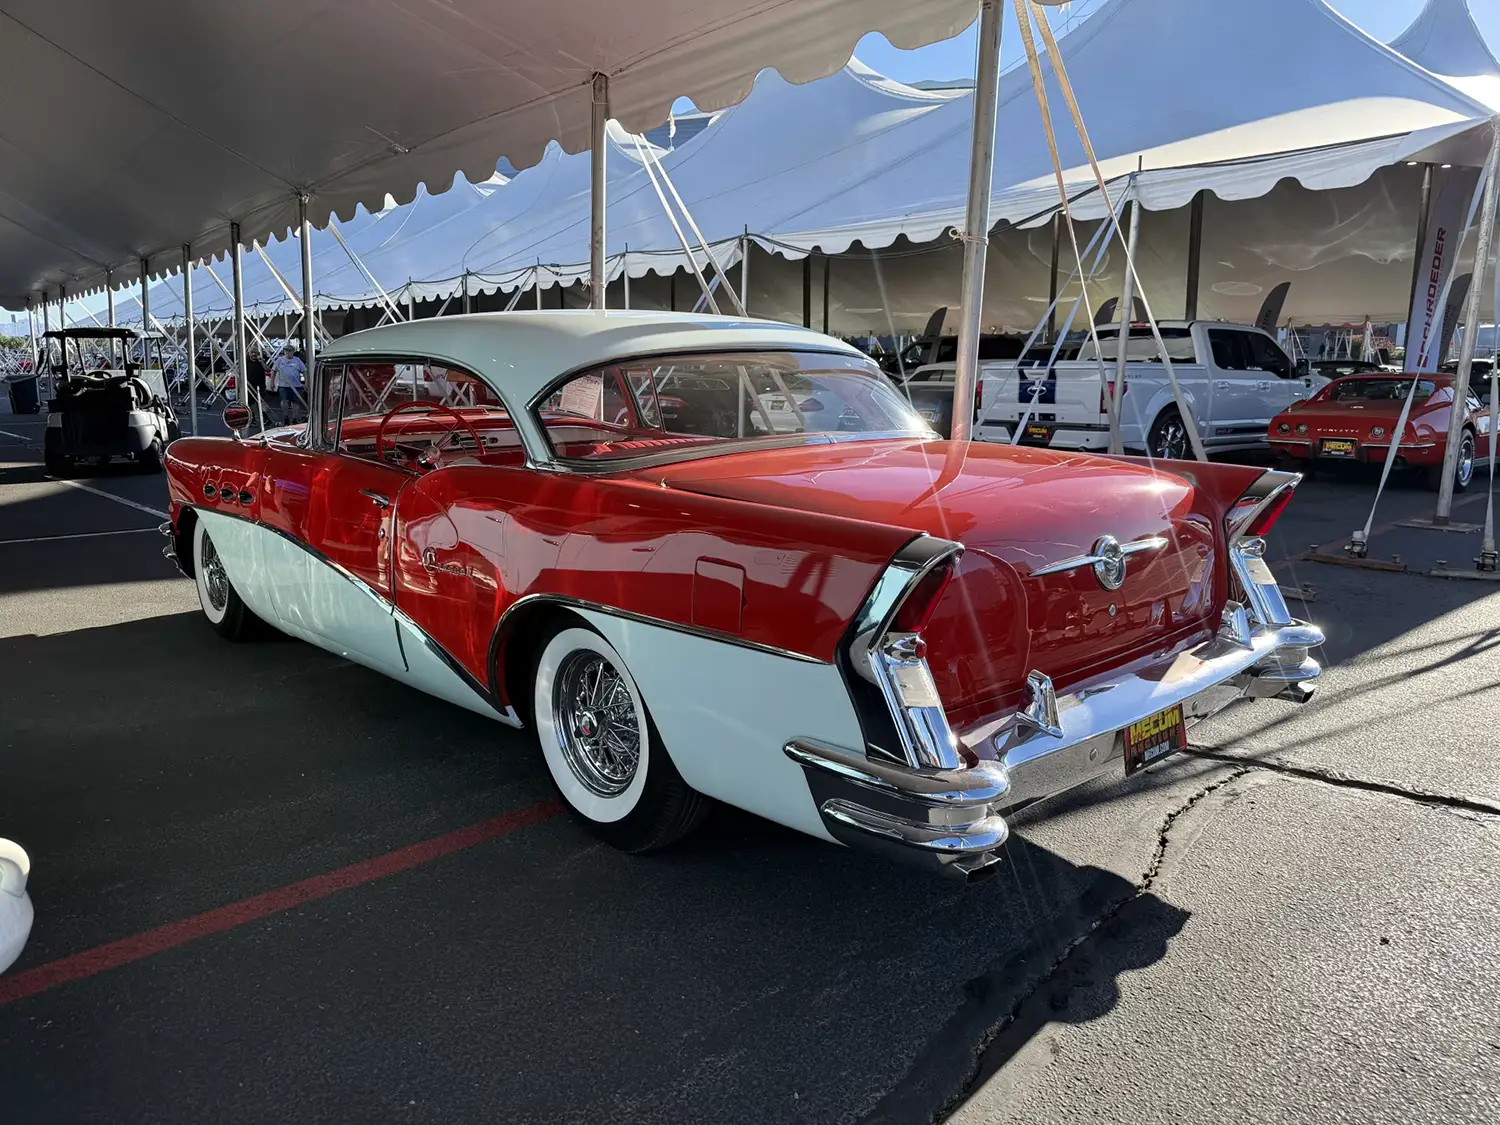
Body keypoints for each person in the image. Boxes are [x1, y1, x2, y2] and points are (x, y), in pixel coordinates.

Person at [272, 346, 306, 424]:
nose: (287, 352)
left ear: (293, 352)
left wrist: (306, 382)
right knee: (284, 402)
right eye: (286, 350)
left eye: (289, 350)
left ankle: (295, 418)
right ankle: (285, 417)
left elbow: (304, 371)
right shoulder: (280, 360)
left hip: (296, 385)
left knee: (296, 403)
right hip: (283, 385)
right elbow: (273, 371)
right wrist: (272, 382)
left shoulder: (297, 360)